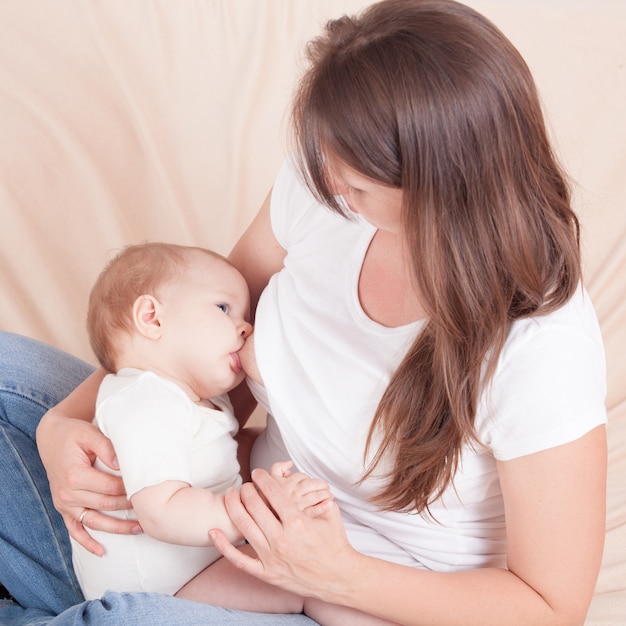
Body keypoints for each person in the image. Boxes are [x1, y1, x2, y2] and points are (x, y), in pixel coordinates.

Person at [0, 0, 607, 624]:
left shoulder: (540, 349)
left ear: (442, 185)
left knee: (134, 618)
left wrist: (338, 577)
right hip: (204, 517)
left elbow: (551, 609)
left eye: (360, 187)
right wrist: (62, 430)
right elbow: (194, 333)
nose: (329, 189)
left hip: (341, 602)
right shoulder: (327, 185)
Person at [69, 242, 332, 606]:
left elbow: (214, 457)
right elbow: (162, 512)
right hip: (155, 592)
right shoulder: (146, 400)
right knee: (312, 590)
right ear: (152, 318)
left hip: (189, 571)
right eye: (224, 308)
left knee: (312, 582)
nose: (244, 328)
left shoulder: (189, 399)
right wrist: (259, 511)